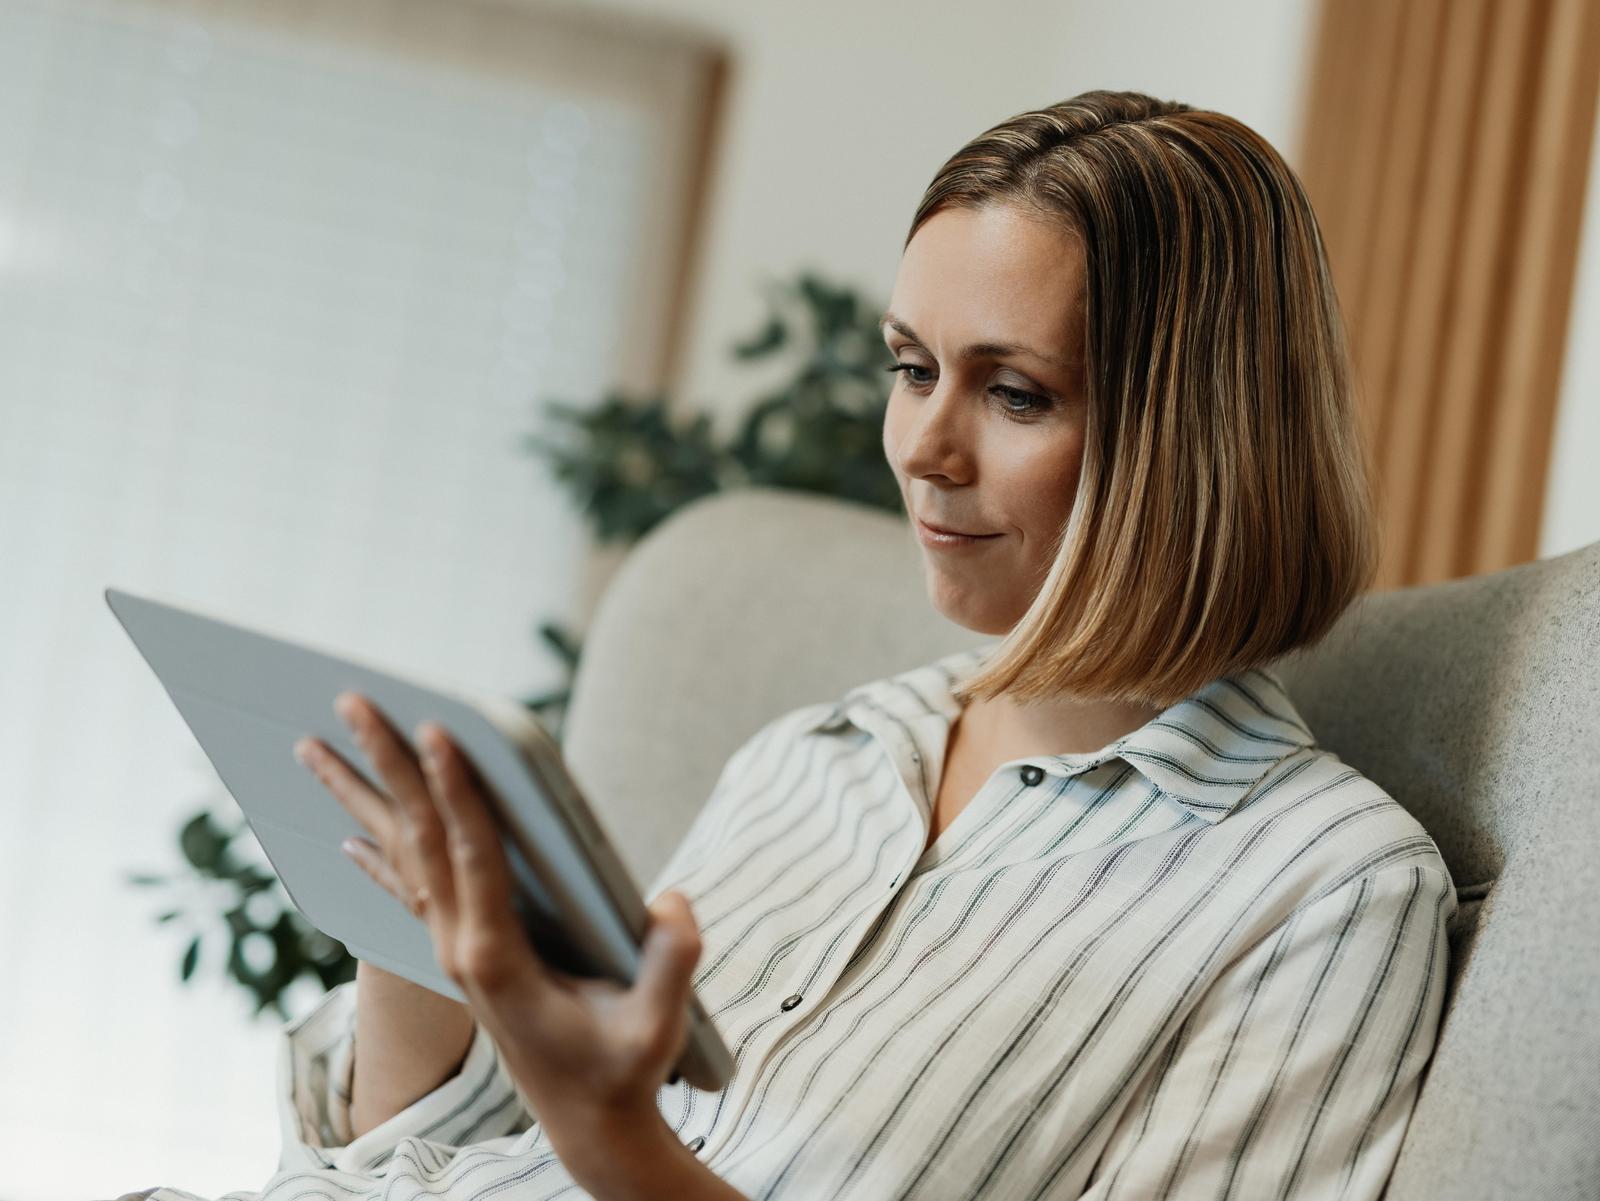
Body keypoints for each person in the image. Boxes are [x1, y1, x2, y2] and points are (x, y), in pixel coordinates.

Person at [135, 90, 1455, 1201]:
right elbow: (449, 1145)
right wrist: (411, 933)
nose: (923, 448)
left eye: (1012, 391)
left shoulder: (1326, 888)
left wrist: (618, 1136)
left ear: (1198, 441)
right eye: (909, 366)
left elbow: (601, 1133)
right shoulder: (823, 754)